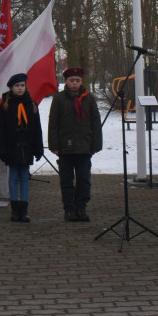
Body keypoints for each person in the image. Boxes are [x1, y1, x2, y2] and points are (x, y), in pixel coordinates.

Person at [47, 67, 102, 222]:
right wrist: (54, 145)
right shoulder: (59, 99)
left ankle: (81, 208)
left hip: (84, 146)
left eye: (77, 81)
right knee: (66, 179)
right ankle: (69, 209)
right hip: (65, 147)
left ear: (81, 81)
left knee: (84, 179)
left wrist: (96, 144)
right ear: (66, 81)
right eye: (72, 81)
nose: (75, 84)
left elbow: (95, 121)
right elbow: (53, 123)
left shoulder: (89, 98)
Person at [0, 73, 44, 223]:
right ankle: (14, 209)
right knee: (13, 177)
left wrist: (38, 148)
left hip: (27, 147)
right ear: (11, 88)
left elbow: (37, 128)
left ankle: (23, 210)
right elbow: (2, 129)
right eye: (17, 86)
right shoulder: (5, 105)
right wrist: (2, 149)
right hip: (12, 147)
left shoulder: (31, 104)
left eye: (22, 85)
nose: (20, 88)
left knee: (24, 177)